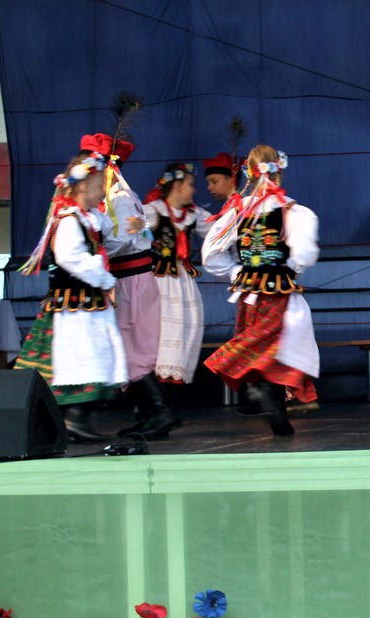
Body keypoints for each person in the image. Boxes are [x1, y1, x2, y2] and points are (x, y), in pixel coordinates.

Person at [202, 145, 320, 436]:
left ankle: (273, 406)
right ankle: (268, 397)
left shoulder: (238, 211)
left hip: (249, 294)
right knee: (279, 348)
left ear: (248, 174)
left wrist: (236, 271)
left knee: (259, 346)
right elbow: (305, 253)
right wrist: (290, 267)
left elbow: (210, 254)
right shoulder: (293, 211)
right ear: (279, 172)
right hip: (279, 292)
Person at [15, 152, 127, 441]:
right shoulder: (68, 219)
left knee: (94, 353)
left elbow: (109, 238)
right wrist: (103, 276)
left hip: (89, 304)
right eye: (99, 186)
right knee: (79, 355)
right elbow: (69, 257)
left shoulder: (89, 219)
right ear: (82, 187)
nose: (102, 192)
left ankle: (77, 417)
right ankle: (73, 417)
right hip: (74, 306)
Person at [78, 133, 180, 439]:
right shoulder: (115, 196)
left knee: (131, 348)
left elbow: (123, 239)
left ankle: (161, 413)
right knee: (127, 348)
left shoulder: (119, 197)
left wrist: (93, 247)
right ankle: (153, 414)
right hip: (128, 279)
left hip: (131, 280)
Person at [143, 163, 213, 386]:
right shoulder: (152, 211)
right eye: (190, 185)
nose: (194, 190)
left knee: (184, 327)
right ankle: (152, 385)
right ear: (177, 185)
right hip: (157, 282)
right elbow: (127, 235)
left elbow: (218, 231)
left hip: (182, 282)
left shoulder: (194, 215)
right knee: (160, 330)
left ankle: (169, 385)